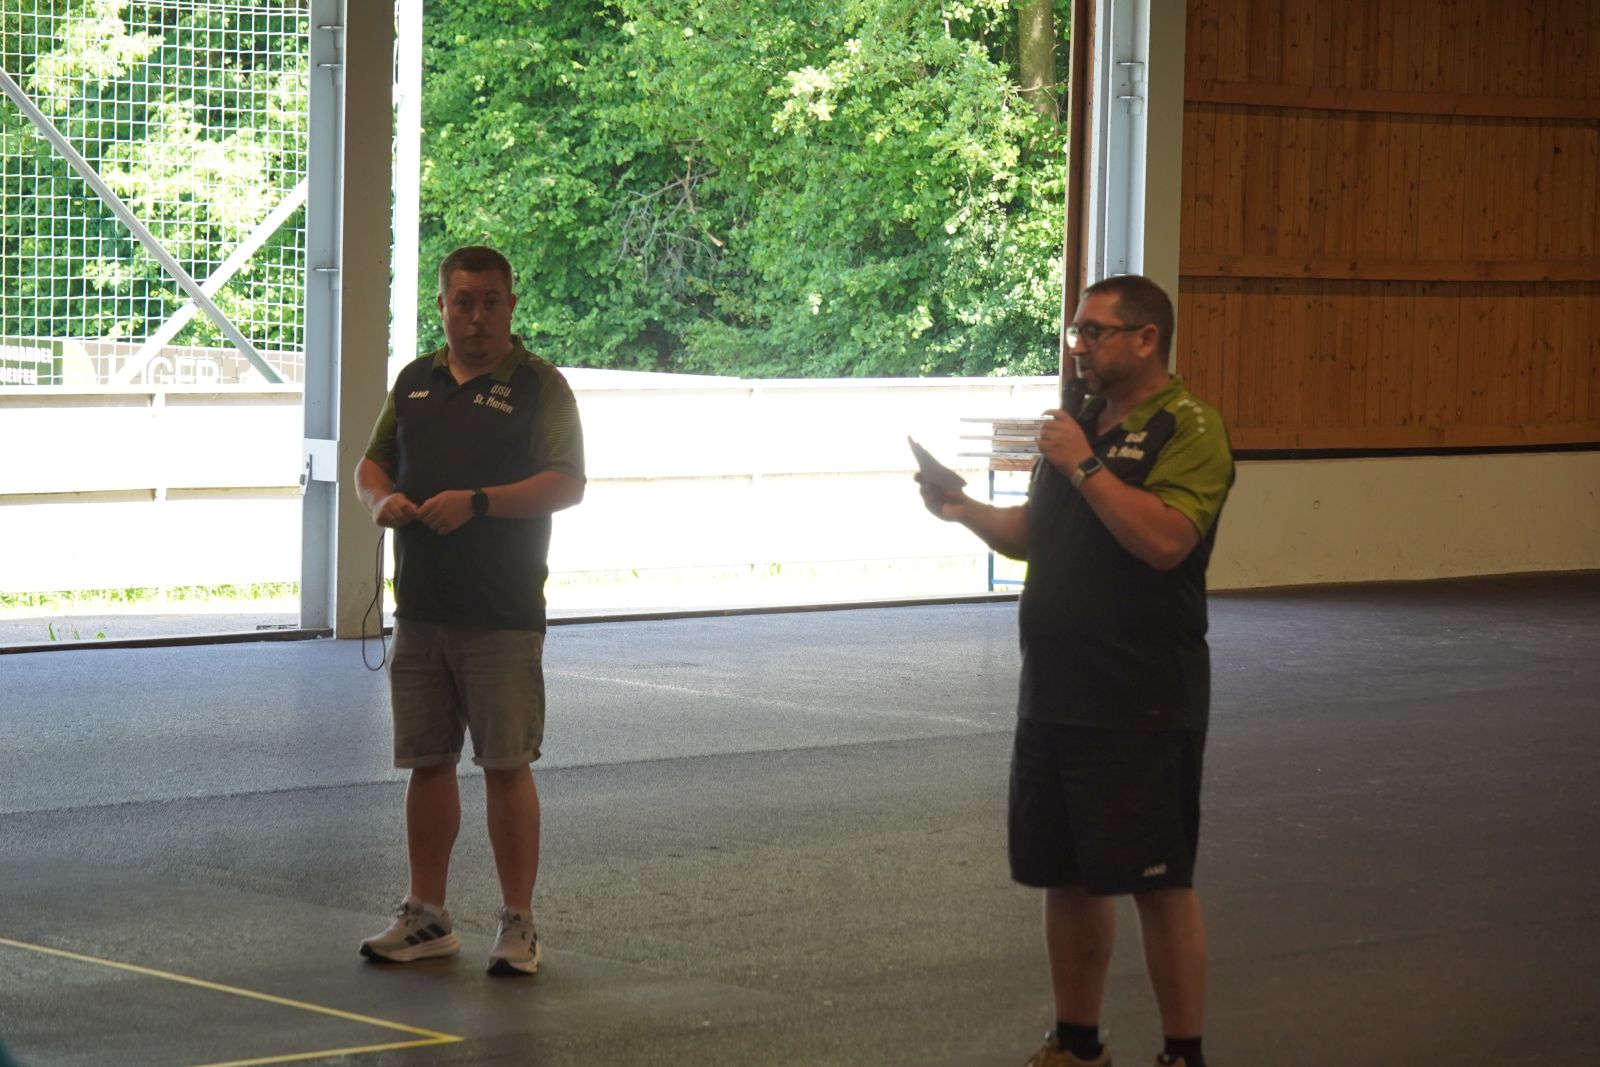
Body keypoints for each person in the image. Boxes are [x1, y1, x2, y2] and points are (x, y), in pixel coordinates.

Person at [918, 275, 1234, 1067]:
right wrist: (962, 510)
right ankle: (1077, 1043)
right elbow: (1037, 534)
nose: (1080, 347)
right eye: (1076, 333)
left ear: (1146, 338)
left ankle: (1183, 1053)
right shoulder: (1081, 423)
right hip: (1055, 690)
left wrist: (1086, 465)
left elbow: (1164, 541)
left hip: (1140, 695)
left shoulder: (1188, 427)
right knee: (1066, 875)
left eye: (1096, 332)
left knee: (1158, 881)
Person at [354, 245, 585, 976]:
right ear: (443, 306)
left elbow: (567, 483)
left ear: (510, 306)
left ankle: (518, 924)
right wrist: (379, 501)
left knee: (505, 764)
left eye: (490, 302)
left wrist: (478, 503)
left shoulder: (541, 387)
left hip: (501, 612)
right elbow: (371, 465)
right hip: (422, 608)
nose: (476, 317)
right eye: (463, 302)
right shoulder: (414, 381)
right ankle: (426, 915)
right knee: (428, 763)